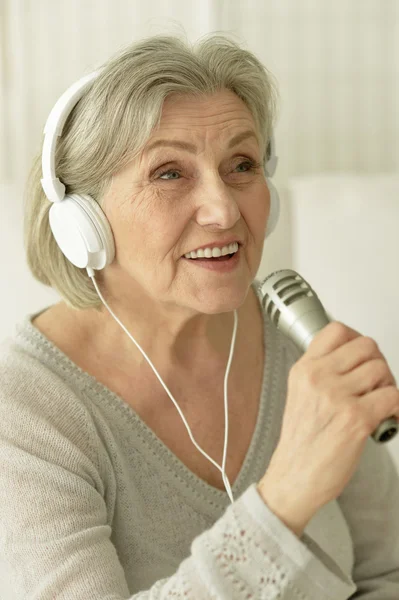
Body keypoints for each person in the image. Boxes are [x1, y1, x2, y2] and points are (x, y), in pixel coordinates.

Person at [1, 32, 399, 600]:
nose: (224, 209)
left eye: (241, 164)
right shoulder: (26, 415)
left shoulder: (294, 337)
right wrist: (283, 498)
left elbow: (386, 572)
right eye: (169, 173)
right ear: (82, 224)